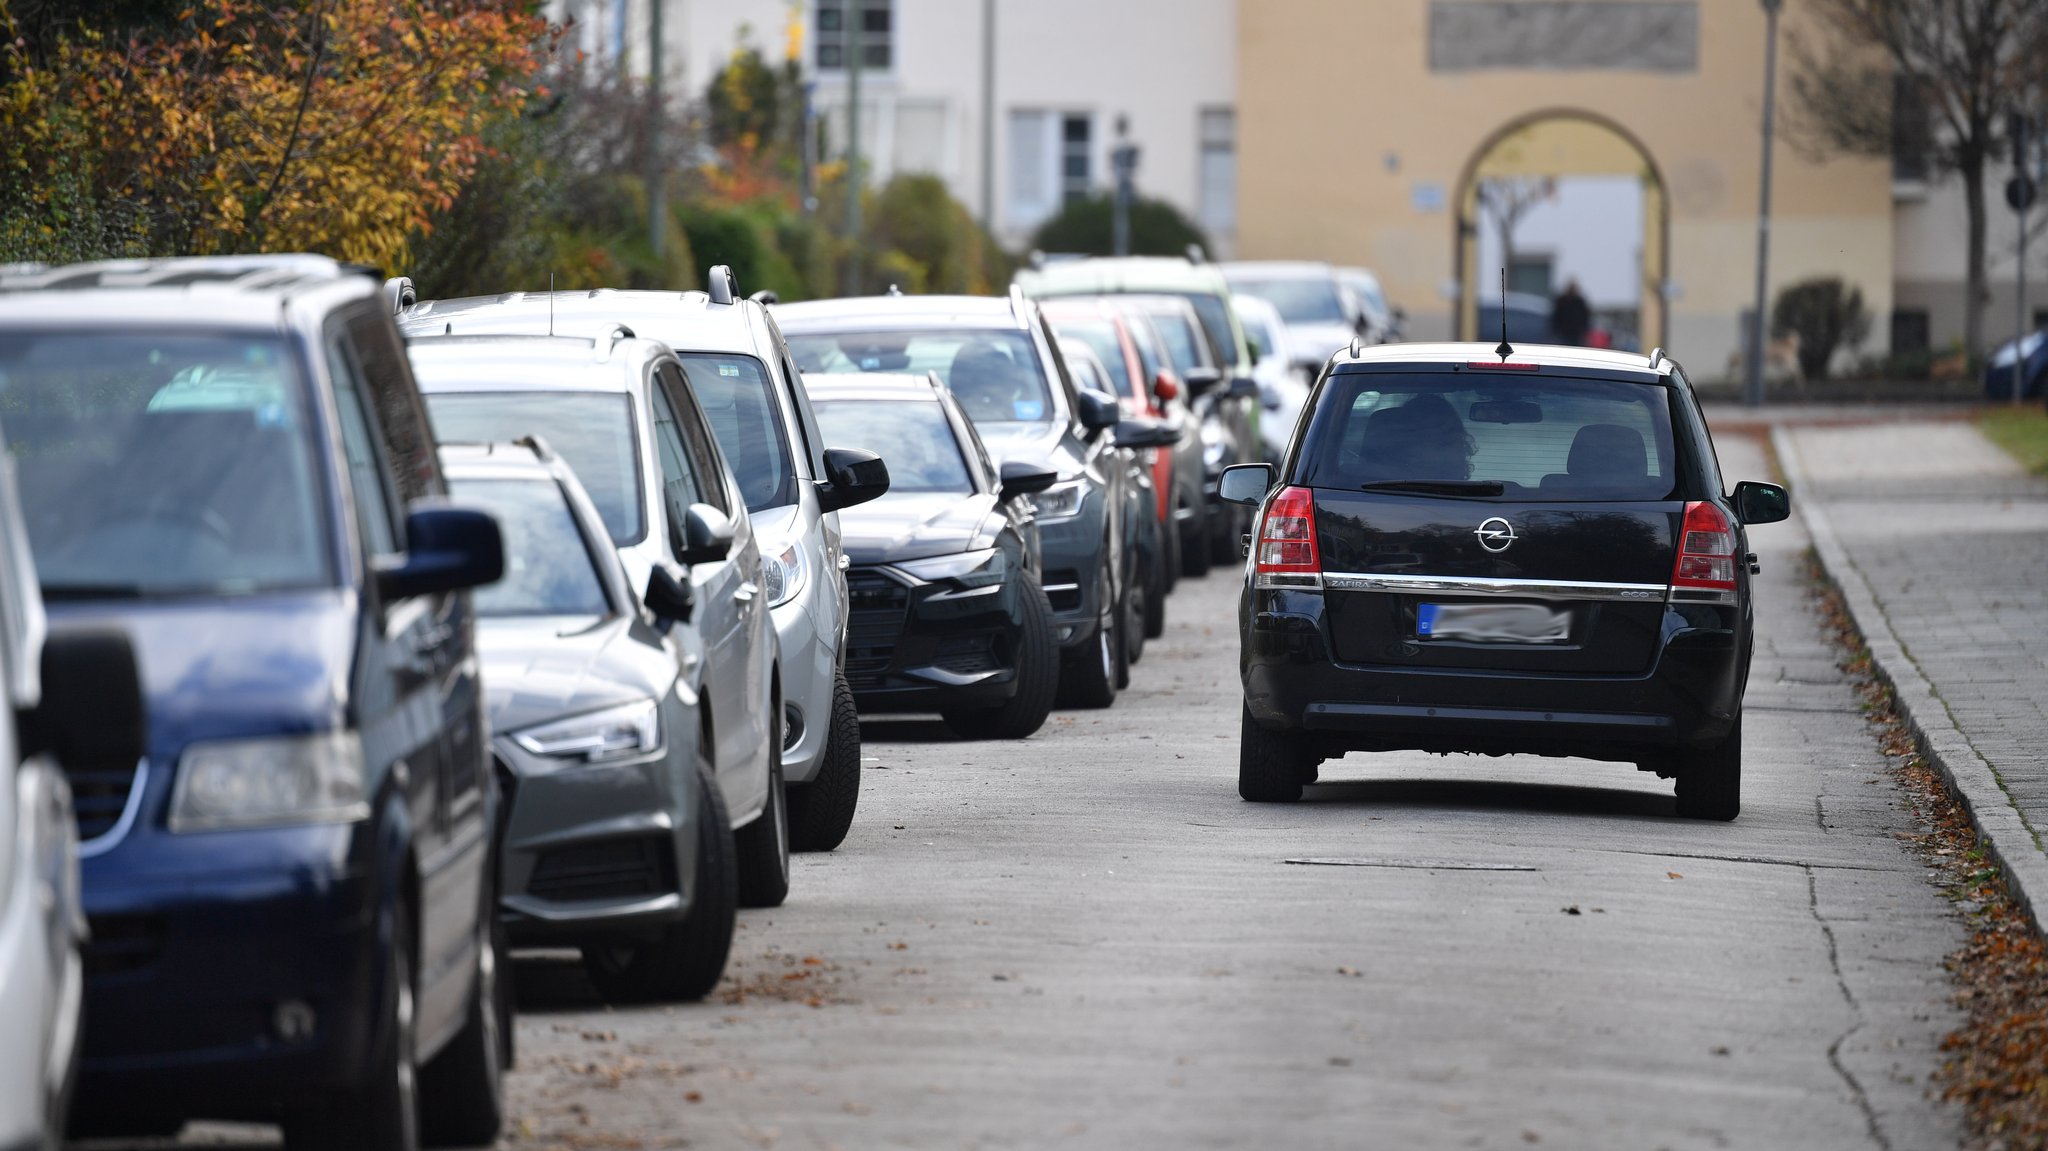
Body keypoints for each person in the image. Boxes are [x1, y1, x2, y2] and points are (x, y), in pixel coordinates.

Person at [1550, 278, 1592, 347]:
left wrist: (1584, 330)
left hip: (1576, 333)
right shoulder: (1561, 300)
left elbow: (1585, 317)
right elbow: (1556, 316)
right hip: (1563, 332)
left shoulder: (1579, 301)